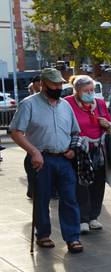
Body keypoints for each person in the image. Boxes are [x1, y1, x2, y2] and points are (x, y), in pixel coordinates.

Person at [9, 68, 84, 253]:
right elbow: (16, 132)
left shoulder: (65, 105)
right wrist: (33, 151)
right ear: (43, 84)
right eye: (54, 84)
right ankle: (43, 234)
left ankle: (72, 237)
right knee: (41, 199)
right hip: (40, 159)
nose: (58, 87)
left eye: (60, 84)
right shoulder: (29, 104)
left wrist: (73, 149)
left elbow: (75, 131)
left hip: (64, 159)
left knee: (70, 199)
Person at [64, 75, 111, 233]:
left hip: (98, 148)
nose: (90, 93)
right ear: (77, 91)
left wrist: (108, 124)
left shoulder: (99, 103)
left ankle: (94, 217)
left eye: (92, 90)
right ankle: (82, 219)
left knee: (98, 183)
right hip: (80, 150)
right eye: (86, 90)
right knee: (82, 184)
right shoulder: (68, 103)